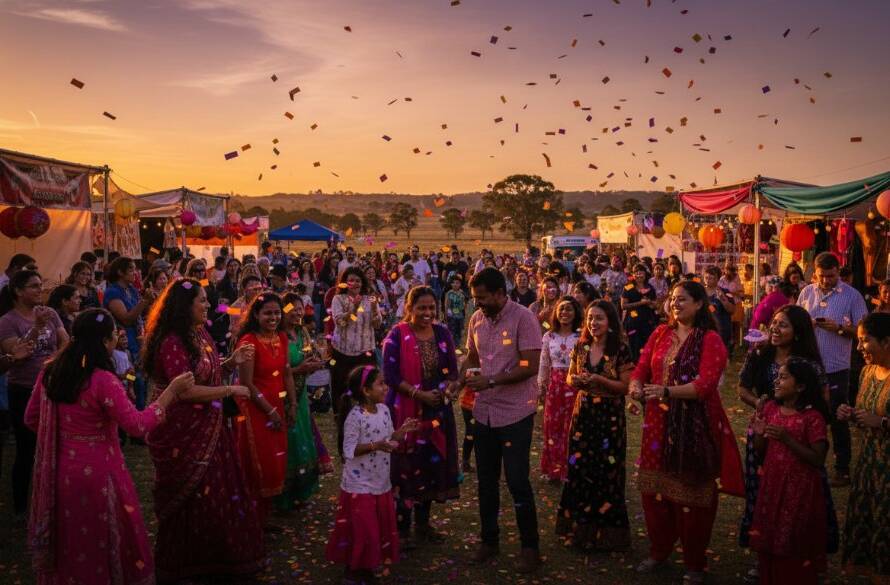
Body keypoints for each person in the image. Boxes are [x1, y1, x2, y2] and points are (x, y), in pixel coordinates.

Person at [24, 309, 194, 585]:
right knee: (100, 540)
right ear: (105, 341)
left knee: (72, 541)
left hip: (61, 474)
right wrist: (170, 393)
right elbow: (138, 426)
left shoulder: (51, 372)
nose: (118, 337)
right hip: (101, 476)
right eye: (115, 334)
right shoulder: (102, 380)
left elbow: (32, 418)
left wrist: (63, 436)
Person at [142, 277, 265, 583]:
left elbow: (206, 372)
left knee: (217, 495)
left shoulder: (200, 333)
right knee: (193, 497)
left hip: (210, 428)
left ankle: (218, 558)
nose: (208, 304)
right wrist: (229, 390)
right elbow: (184, 391)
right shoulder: (172, 341)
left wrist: (229, 362)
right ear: (185, 306)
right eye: (202, 300)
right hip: (182, 433)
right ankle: (188, 563)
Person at [629, 281, 744, 584]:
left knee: (693, 495)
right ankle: (659, 551)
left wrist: (666, 390)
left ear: (698, 304)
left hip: (695, 424)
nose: (675, 304)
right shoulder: (660, 334)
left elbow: (705, 386)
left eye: (682, 300)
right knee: (654, 491)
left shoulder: (710, 340)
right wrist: (635, 388)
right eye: (672, 299)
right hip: (656, 422)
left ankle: (695, 561)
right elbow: (641, 369)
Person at [736, 305, 838, 571]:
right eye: (774, 323)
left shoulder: (808, 364)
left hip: (799, 436)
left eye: (783, 325)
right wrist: (761, 404)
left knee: (798, 501)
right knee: (763, 493)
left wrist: (797, 420)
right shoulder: (760, 353)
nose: (775, 329)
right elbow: (742, 388)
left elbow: (822, 401)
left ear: (798, 332)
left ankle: (800, 555)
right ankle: (764, 554)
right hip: (765, 429)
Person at [458, 267, 543, 573]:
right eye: (475, 298)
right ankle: (489, 541)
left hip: (515, 412)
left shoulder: (523, 318)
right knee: (486, 482)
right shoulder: (477, 319)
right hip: (483, 413)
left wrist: (493, 381)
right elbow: (472, 357)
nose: (478, 303)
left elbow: (529, 364)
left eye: (482, 298)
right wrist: (459, 381)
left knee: (518, 481)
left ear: (498, 293)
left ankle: (530, 547)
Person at [383, 286, 461, 548]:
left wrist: (449, 388)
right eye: (421, 308)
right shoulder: (396, 334)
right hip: (406, 410)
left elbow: (451, 370)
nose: (427, 313)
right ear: (409, 308)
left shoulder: (442, 332)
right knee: (406, 465)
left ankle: (423, 524)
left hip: (437, 408)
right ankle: (402, 528)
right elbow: (391, 377)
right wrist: (419, 395)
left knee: (432, 463)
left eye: (431, 308)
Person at [326, 365, 418, 585]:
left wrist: (400, 433)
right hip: (359, 483)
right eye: (381, 384)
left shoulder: (384, 410)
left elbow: (389, 440)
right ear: (366, 391)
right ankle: (354, 568)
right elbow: (349, 450)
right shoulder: (355, 417)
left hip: (379, 480)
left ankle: (366, 564)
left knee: (374, 527)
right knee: (362, 528)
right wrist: (376, 445)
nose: (386, 387)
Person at [556, 299, 633, 551]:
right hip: (584, 414)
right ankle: (580, 531)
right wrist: (577, 381)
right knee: (581, 470)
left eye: (599, 318)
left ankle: (607, 535)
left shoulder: (620, 348)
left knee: (606, 471)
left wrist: (599, 379)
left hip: (609, 418)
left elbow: (625, 386)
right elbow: (569, 377)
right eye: (590, 318)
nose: (593, 323)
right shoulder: (581, 346)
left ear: (610, 321)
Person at [749, 358, 831, 584]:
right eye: (777, 376)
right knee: (770, 535)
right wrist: (758, 433)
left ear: (801, 386)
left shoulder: (812, 418)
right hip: (773, 483)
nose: (777, 381)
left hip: (799, 489)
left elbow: (817, 458)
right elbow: (761, 449)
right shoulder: (771, 409)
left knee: (792, 538)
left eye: (784, 377)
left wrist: (787, 439)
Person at [0, 270, 68, 518]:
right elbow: (17, 353)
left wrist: (52, 363)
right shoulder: (8, 321)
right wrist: (36, 328)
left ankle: (52, 499)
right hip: (24, 388)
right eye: (34, 286)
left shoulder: (50, 314)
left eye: (41, 285)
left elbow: (65, 342)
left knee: (54, 443)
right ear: (18, 291)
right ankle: (21, 506)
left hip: (49, 386)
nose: (40, 290)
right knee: (27, 447)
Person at [797, 252, 868, 486]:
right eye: (821, 276)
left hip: (837, 367)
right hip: (809, 366)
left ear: (839, 271)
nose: (826, 280)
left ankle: (842, 468)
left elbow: (862, 331)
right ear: (814, 273)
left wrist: (837, 328)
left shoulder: (852, 296)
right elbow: (795, 321)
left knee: (838, 417)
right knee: (807, 415)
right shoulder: (807, 292)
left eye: (830, 276)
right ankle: (806, 463)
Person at [838, 312, 890, 580]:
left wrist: (881, 422)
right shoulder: (868, 373)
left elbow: (877, 419)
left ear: (887, 342)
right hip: (869, 466)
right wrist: (852, 414)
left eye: (864, 341)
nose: (859, 348)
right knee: (867, 523)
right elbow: (864, 413)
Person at [235, 292, 293, 521]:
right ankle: (252, 517)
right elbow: (247, 383)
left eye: (277, 312)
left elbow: (286, 372)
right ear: (256, 315)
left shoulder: (282, 337)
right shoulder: (248, 342)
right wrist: (270, 410)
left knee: (276, 460)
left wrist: (292, 403)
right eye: (268, 313)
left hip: (277, 403)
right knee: (259, 459)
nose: (273, 317)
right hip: (256, 408)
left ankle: (265, 515)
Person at [277, 294, 325, 509]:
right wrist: (299, 369)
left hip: (301, 392)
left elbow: (311, 353)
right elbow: (274, 371)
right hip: (282, 395)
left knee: (303, 437)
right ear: (282, 310)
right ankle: (283, 495)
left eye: (299, 309)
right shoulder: (277, 336)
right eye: (292, 309)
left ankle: (301, 491)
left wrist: (315, 361)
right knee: (290, 439)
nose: (297, 312)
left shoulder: (301, 332)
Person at [537, 296, 582, 483]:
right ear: (556, 312)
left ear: (576, 313)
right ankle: (553, 469)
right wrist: (541, 386)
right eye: (562, 309)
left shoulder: (581, 337)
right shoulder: (549, 336)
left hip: (575, 384)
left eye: (569, 309)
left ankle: (569, 469)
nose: (565, 313)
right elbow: (544, 363)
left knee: (571, 426)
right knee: (552, 426)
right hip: (554, 385)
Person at [103, 257, 156, 410]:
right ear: (120, 272)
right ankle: (135, 420)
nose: (136, 273)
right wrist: (144, 301)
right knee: (134, 379)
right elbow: (126, 319)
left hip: (138, 342)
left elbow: (139, 314)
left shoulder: (131, 289)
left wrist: (150, 301)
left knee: (142, 379)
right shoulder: (112, 292)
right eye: (131, 269)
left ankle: (142, 413)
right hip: (124, 346)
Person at [330, 267, 383, 411]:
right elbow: (340, 323)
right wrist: (354, 308)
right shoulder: (338, 299)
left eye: (358, 280)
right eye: (351, 280)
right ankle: (342, 418)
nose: (354, 283)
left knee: (366, 388)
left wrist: (373, 309)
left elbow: (377, 325)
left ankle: (367, 417)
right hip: (342, 353)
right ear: (345, 283)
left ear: (362, 282)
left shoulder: (369, 299)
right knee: (342, 389)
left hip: (365, 352)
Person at [622, 263, 658, 361]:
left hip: (647, 321)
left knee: (647, 343)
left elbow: (655, 305)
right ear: (633, 274)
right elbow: (623, 306)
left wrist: (650, 303)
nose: (638, 275)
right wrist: (640, 303)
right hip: (632, 321)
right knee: (634, 344)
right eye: (636, 273)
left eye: (641, 273)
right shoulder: (628, 287)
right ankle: (634, 363)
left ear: (645, 274)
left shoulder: (650, 287)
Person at [703, 264, 736, 351]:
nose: (708, 278)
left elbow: (732, 310)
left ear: (718, 279)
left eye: (711, 276)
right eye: (706, 276)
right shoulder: (700, 292)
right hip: (704, 330)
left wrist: (723, 300)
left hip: (721, 330)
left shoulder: (725, 292)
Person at [444, 275, 467, 346]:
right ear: (451, 284)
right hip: (451, 316)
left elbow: (464, 305)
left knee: (459, 331)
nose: (455, 284)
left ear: (460, 284)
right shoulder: (449, 293)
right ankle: (452, 344)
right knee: (452, 330)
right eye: (453, 283)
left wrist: (463, 314)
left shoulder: (462, 293)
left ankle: (458, 344)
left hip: (460, 316)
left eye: (457, 283)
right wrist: (446, 314)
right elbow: (447, 305)